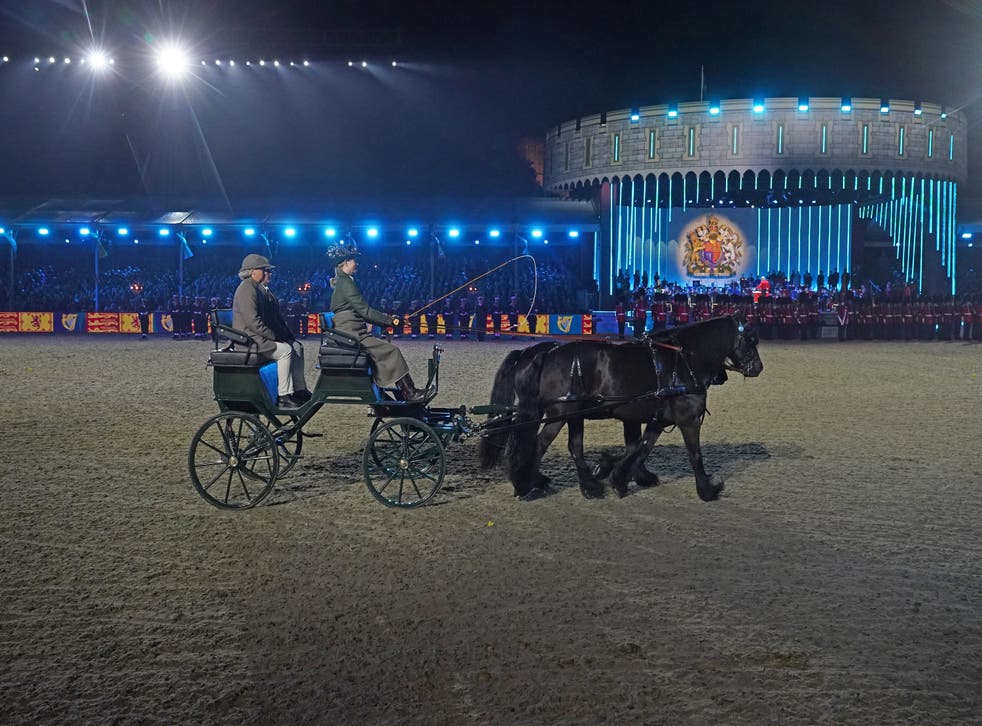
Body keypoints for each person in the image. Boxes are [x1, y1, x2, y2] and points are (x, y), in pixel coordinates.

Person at [327, 244, 428, 402]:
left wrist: (388, 320)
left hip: (352, 331)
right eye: (354, 260)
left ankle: (407, 391)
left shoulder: (343, 281)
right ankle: (409, 393)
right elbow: (365, 311)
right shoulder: (345, 282)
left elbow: (364, 311)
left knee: (387, 349)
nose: (356, 264)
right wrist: (390, 321)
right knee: (392, 350)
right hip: (352, 334)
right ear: (346, 262)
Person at [232, 254, 309, 409]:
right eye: (265, 270)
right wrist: (274, 337)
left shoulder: (258, 288)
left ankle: (299, 390)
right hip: (250, 339)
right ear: (253, 271)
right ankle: (284, 395)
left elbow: (273, 318)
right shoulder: (247, 288)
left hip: (257, 337)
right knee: (285, 351)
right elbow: (253, 321)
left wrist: (286, 336)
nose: (269, 273)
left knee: (296, 346)